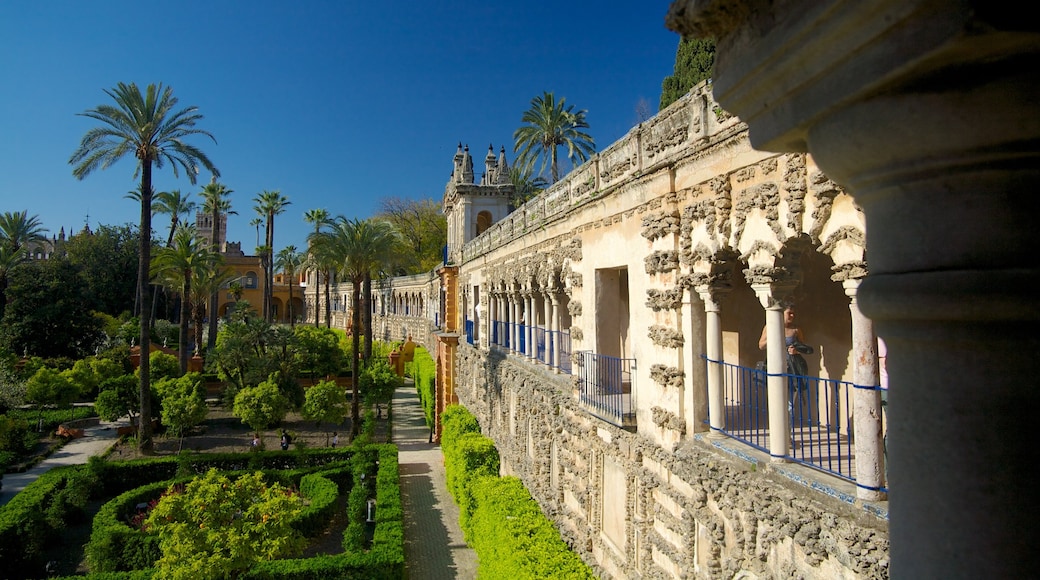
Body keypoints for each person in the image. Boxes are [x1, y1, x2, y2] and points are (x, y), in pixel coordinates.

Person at [759, 306, 814, 427]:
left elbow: (803, 347)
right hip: (775, 368)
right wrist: (773, 335)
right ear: (782, 313)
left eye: (793, 314)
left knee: (789, 405)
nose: (792, 316)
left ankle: (787, 435)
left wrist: (796, 351)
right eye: (789, 313)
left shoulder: (796, 330)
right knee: (777, 403)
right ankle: (778, 432)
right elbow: (761, 345)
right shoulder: (769, 327)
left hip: (793, 369)